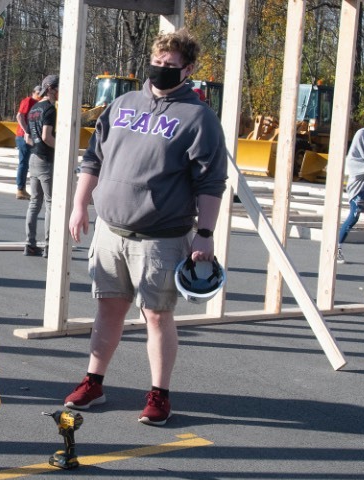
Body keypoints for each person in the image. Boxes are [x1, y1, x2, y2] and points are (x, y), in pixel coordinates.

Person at [60, 31, 225, 427]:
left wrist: (205, 234)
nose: (161, 70)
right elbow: (93, 158)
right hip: (111, 230)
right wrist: (80, 205)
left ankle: (158, 394)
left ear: (188, 70)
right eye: (158, 62)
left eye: (171, 66)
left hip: (161, 238)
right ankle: (93, 382)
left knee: (156, 315)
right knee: (108, 307)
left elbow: (210, 182)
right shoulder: (122, 104)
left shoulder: (198, 117)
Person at [333, 107, 364, 264]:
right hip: (362, 179)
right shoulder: (362, 134)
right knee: (355, 214)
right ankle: (337, 247)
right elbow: (352, 161)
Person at [21, 75, 60, 256]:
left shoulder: (34, 108)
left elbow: (28, 137)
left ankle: (30, 243)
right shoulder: (50, 109)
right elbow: (47, 136)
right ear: (51, 88)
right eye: (59, 88)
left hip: (34, 157)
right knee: (51, 203)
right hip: (46, 158)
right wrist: (62, 148)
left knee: (34, 202)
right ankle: (49, 245)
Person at [14, 83, 40, 200]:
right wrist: (26, 132)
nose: (41, 95)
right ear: (34, 92)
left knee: (27, 162)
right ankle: (20, 189)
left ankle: (23, 188)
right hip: (23, 136)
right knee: (24, 162)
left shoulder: (37, 103)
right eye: (39, 93)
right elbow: (20, 116)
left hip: (29, 135)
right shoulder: (28, 101)